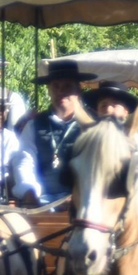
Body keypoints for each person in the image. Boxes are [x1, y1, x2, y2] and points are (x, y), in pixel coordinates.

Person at [10, 59, 100, 207]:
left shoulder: (93, 125)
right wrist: (29, 191)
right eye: (55, 87)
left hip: (83, 203)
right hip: (42, 202)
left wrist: (79, 195)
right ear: (49, 91)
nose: (61, 92)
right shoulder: (34, 125)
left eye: (67, 87)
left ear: (78, 91)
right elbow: (24, 161)